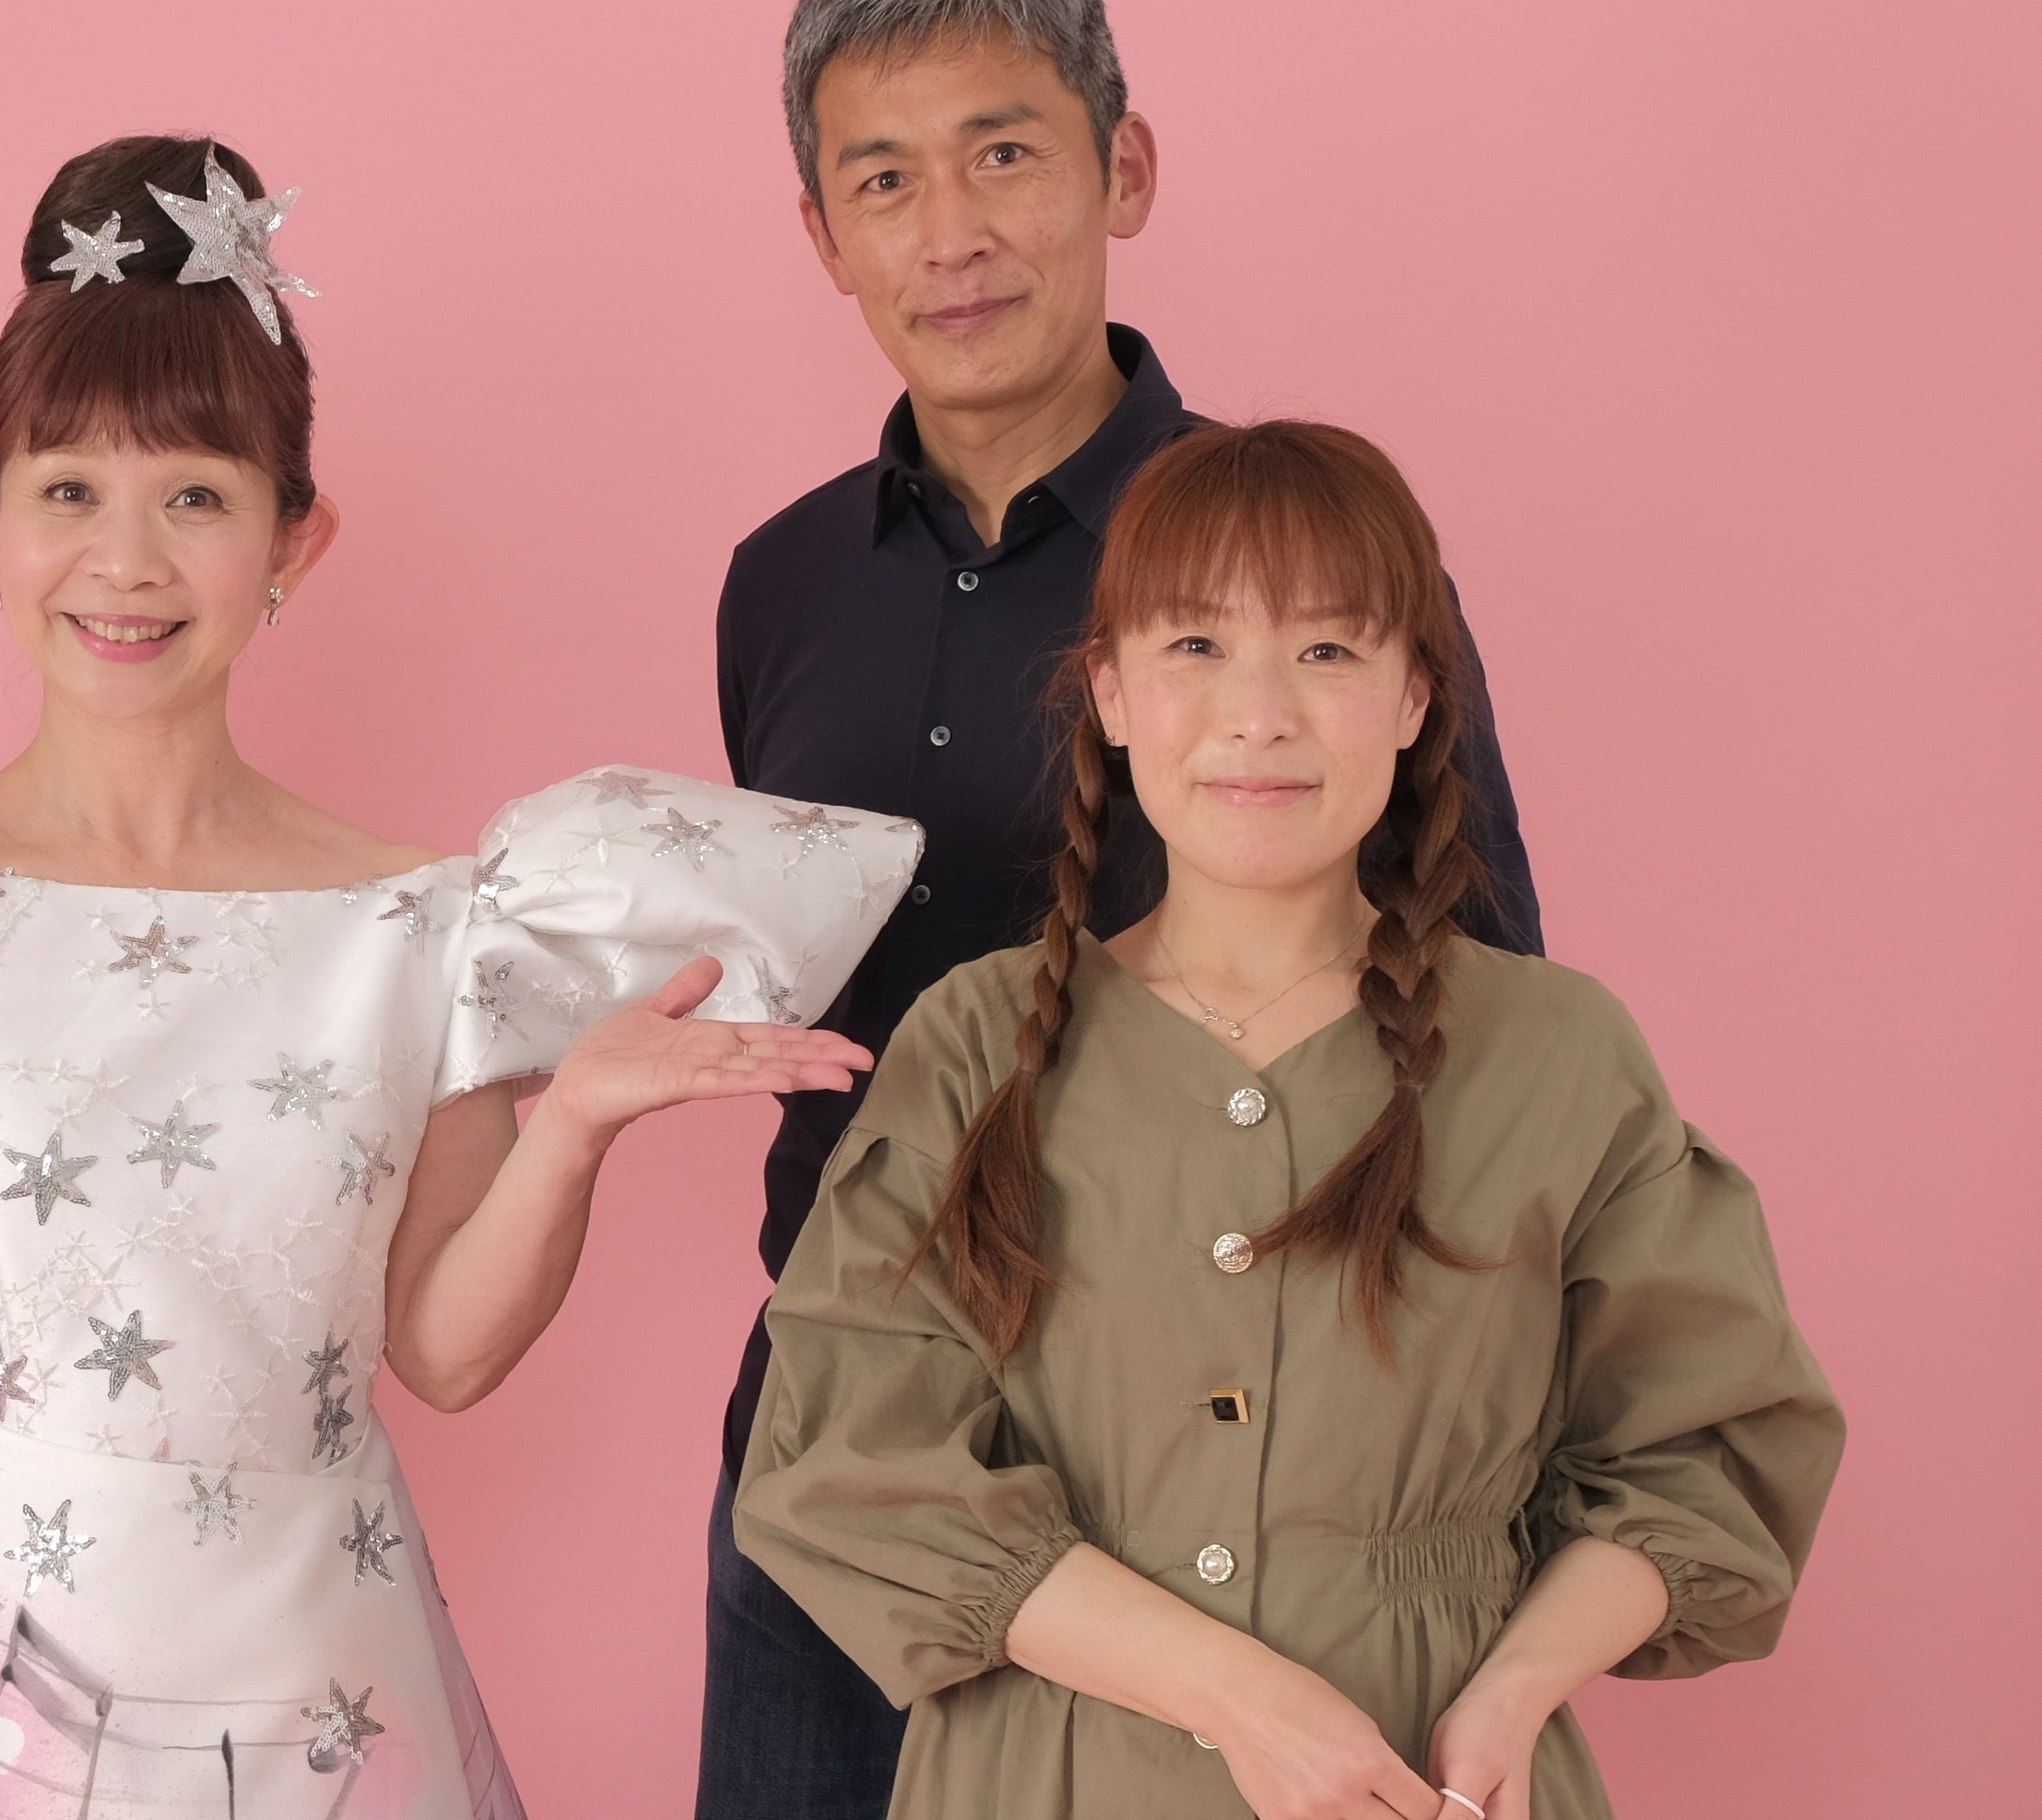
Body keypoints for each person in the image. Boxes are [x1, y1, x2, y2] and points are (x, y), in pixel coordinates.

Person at [0, 136, 920, 1818]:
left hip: (303, 1690)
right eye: (66, 492)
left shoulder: (425, 926)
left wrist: (571, 1129)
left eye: (194, 496)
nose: (123, 562)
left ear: (293, 538)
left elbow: (442, 1352)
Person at [702, 0, 1548, 1817]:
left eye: (1003, 152)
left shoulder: (1301, 570)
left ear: (1123, 170)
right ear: (822, 234)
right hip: (837, 1456)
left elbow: (1474, 992)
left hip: (1203, 1470)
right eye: (883, 179)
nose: (949, 232)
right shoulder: (780, 583)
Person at [733, 420, 1840, 1818]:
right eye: (1196, 645)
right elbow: (850, 1458)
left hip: (1436, 1783)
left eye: (1326, 650)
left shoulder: (1559, 1053)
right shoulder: (972, 1044)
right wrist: (1241, 1701)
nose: (1258, 715)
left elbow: (1704, 1452)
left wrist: (1509, 1691)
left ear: (1416, 696)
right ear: (1110, 691)